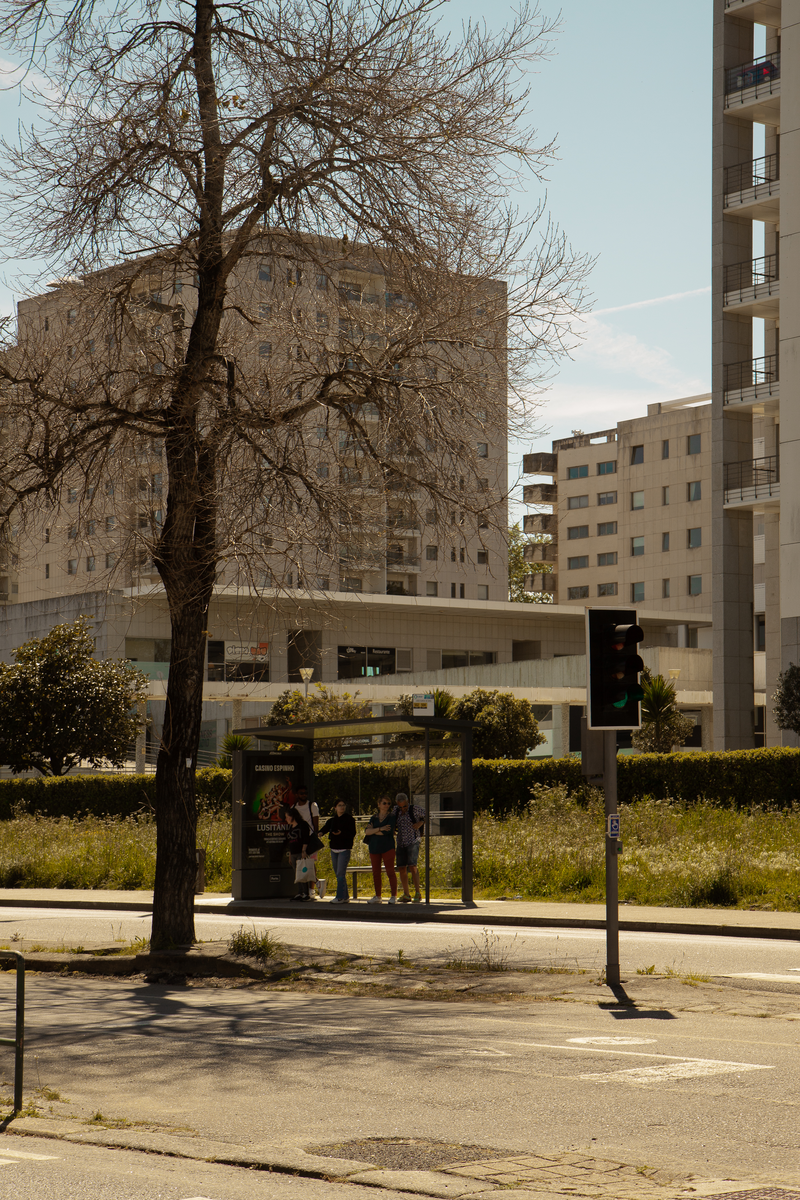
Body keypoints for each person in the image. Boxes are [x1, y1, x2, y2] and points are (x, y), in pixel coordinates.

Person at [319, 799, 357, 903]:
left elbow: (352, 833)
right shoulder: (332, 820)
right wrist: (320, 833)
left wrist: (341, 833)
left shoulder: (349, 819)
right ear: (335, 807)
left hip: (344, 849)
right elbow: (325, 829)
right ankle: (345, 897)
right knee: (338, 874)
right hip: (334, 849)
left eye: (343, 805)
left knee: (340, 873)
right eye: (339, 805)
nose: (342, 807)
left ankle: (339, 897)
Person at [363, 795, 398, 904]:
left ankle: (394, 896)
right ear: (379, 804)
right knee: (376, 872)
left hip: (388, 847)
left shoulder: (391, 817)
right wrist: (380, 828)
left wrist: (374, 830)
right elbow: (367, 832)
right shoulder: (374, 817)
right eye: (384, 803)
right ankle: (378, 896)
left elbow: (387, 832)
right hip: (374, 847)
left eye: (388, 803)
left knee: (390, 871)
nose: (387, 805)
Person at [393, 792, 425, 903]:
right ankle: (406, 894)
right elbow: (391, 819)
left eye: (405, 806)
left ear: (408, 802)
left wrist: (421, 822)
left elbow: (428, 815)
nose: (403, 809)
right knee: (401, 867)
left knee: (412, 865)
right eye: (400, 807)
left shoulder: (415, 809)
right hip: (400, 842)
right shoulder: (396, 810)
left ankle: (418, 893)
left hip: (413, 840)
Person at [292, 784, 321, 897]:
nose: (304, 795)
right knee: (301, 863)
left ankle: (311, 889)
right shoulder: (294, 807)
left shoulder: (312, 805)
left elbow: (315, 821)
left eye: (305, 793)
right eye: (301, 793)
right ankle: (306, 888)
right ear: (297, 795)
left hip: (310, 838)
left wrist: (315, 836)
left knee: (311, 863)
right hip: (299, 839)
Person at [284, 806, 315, 901]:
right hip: (293, 853)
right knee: (297, 874)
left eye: (287, 817)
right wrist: (290, 855)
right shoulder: (291, 827)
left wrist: (304, 850)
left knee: (302, 872)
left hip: (300, 852)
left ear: (293, 816)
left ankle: (306, 893)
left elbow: (306, 838)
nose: (286, 819)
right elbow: (290, 842)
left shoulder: (302, 825)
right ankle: (300, 892)